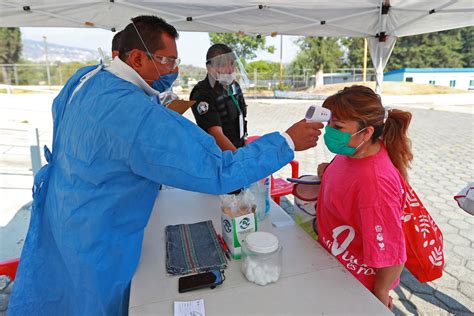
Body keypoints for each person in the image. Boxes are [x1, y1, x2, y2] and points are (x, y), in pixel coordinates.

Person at [8, 15, 323, 315]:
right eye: (167, 60)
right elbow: (218, 171)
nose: (174, 68)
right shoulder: (139, 115)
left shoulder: (86, 78)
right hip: (100, 235)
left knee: (56, 292)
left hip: (64, 209)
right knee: (95, 302)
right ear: (137, 59)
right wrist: (287, 141)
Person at [316, 85, 413, 310]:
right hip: (332, 264)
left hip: (356, 285)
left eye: (337, 126)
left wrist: (379, 295)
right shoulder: (351, 152)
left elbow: (393, 255)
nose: (329, 131)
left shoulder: (376, 184)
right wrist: (327, 173)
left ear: (366, 132)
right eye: (329, 123)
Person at [190, 44, 247, 151]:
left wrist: (245, 143)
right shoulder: (202, 93)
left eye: (232, 64)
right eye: (223, 65)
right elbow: (216, 136)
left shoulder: (234, 87)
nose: (230, 70)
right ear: (210, 68)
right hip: (219, 156)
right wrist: (239, 160)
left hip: (239, 149)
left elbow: (241, 119)